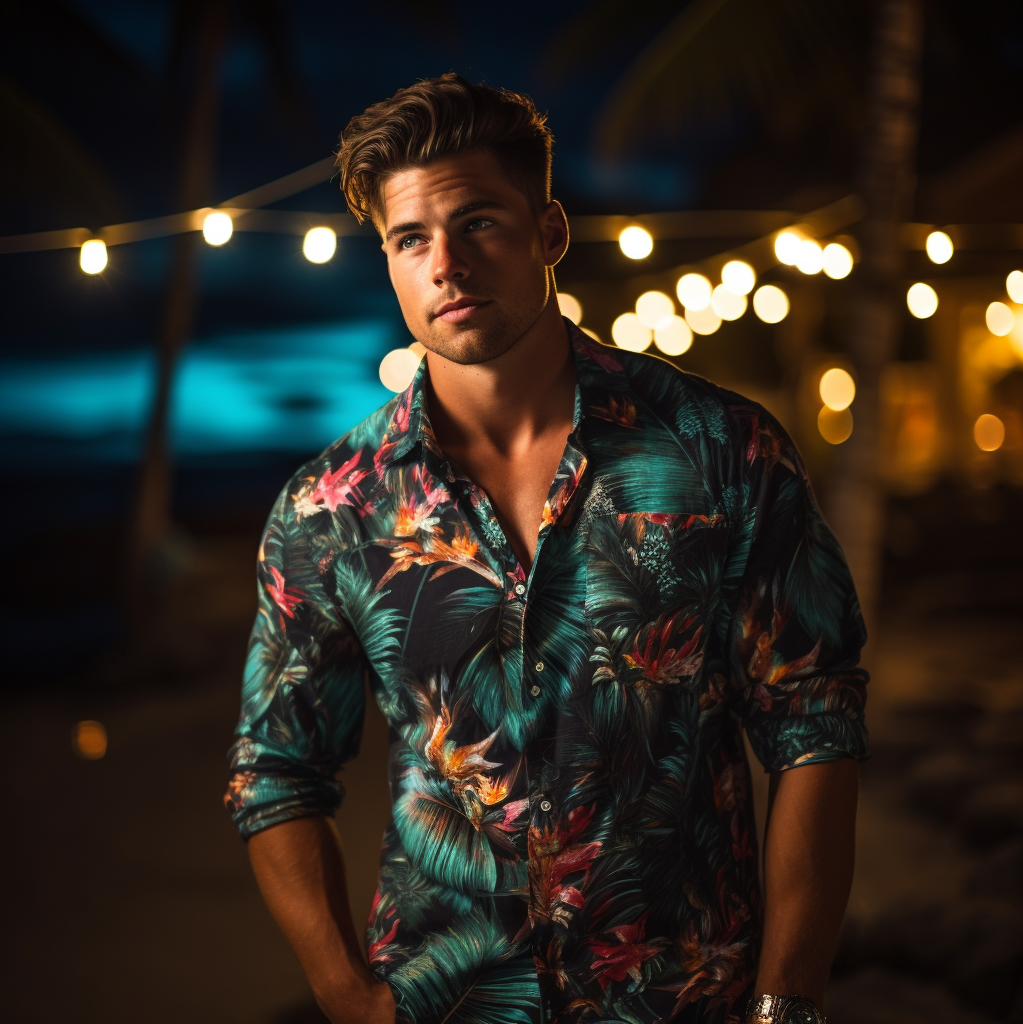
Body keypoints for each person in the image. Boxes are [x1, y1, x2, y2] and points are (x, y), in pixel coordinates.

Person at [223, 72, 869, 1024]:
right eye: (411, 239)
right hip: (445, 1003)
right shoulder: (332, 509)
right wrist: (347, 997)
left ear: (549, 234)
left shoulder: (720, 452)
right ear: (392, 264)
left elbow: (813, 725)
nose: (446, 263)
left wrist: (787, 1004)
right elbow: (275, 771)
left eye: (478, 221)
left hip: (683, 1001)